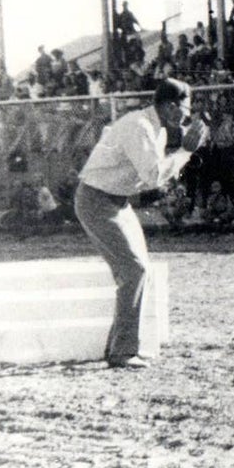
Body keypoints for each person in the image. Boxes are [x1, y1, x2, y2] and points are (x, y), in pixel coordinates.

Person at [74, 77, 207, 369]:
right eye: (185, 109)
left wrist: (181, 152)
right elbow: (153, 176)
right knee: (134, 271)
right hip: (97, 200)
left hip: (116, 202)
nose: (187, 116)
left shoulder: (153, 127)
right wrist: (185, 152)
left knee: (137, 271)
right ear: (170, 107)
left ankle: (118, 346)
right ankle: (122, 352)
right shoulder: (140, 126)